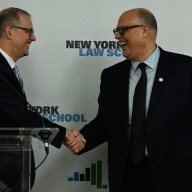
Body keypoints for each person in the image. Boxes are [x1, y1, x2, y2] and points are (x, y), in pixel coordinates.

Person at [65, 7, 192, 192]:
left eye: (123, 30)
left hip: (175, 175)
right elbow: (105, 122)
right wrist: (82, 139)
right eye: (116, 31)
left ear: (145, 30)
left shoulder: (185, 69)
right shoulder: (111, 76)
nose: (117, 36)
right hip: (126, 176)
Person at [0, 7, 85, 192]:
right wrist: (63, 135)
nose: (33, 38)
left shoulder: (8, 69)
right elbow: (18, 115)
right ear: (9, 31)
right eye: (29, 31)